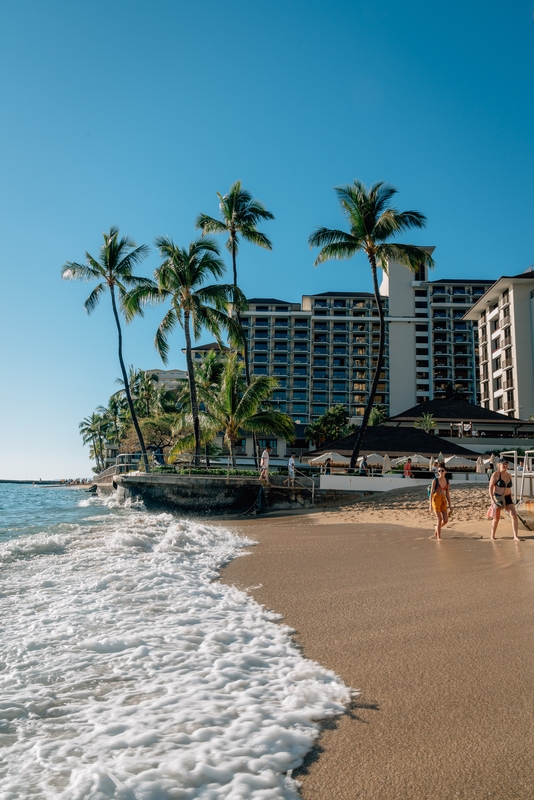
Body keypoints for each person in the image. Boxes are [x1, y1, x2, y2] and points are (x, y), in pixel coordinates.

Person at [488, 458, 520, 541]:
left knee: (514, 515)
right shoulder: (496, 474)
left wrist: (511, 497)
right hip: (498, 497)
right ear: (499, 465)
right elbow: (491, 487)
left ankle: (515, 536)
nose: (505, 465)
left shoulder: (509, 475)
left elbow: (509, 488)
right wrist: (492, 499)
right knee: (496, 518)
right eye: (503, 464)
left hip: (508, 497)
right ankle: (492, 536)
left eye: (506, 464)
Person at [429, 463, 452, 539]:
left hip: (442, 500)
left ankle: (436, 528)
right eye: (439, 471)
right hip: (435, 500)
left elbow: (447, 494)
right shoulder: (435, 481)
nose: (441, 472)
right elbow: (431, 493)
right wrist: (430, 506)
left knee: (445, 520)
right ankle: (439, 538)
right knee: (439, 519)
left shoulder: (447, 481)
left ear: (445, 471)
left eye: (442, 470)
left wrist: (450, 505)